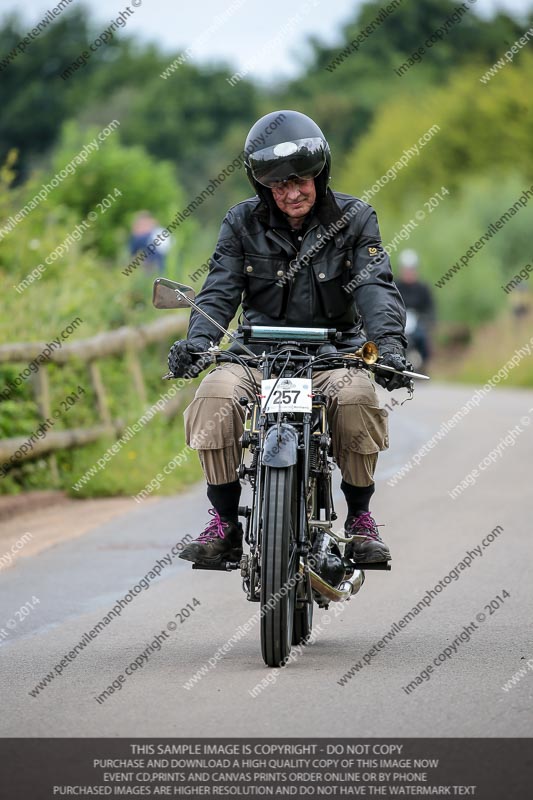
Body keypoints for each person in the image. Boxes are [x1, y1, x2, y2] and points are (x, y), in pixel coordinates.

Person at [168, 110, 410, 568]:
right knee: (214, 395)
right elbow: (219, 290)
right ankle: (224, 522)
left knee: (358, 397)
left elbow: (376, 286)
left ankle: (359, 519)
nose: (292, 192)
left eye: (300, 180)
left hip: (335, 354)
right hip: (256, 354)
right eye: (279, 185)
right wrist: (198, 343)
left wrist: (391, 346)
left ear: (320, 174)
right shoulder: (240, 223)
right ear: (263, 186)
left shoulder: (356, 218)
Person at [396, 249, 435, 368]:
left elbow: (430, 308)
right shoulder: (395, 286)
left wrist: (428, 322)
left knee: (423, 340)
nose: (408, 273)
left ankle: (423, 366)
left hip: (417, 323)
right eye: (406, 269)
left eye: (411, 269)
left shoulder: (423, 288)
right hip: (399, 322)